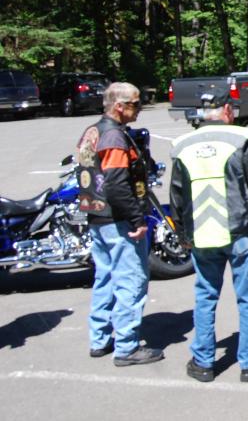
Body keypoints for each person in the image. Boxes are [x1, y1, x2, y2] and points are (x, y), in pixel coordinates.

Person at [169, 88, 248, 383]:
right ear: (227, 110)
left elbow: (176, 196)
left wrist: (182, 234)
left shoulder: (183, 145)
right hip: (241, 231)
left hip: (203, 235)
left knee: (205, 296)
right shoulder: (241, 139)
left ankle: (203, 362)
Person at [77, 82, 163, 366]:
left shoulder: (93, 131)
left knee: (105, 278)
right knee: (131, 280)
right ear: (119, 106)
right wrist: (136, 218)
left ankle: (99, 339)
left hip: (97, 217)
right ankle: (126, 346)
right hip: (117, 219)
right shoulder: (114, 136)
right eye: (135, 104)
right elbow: (115, 183)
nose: (139, 109)